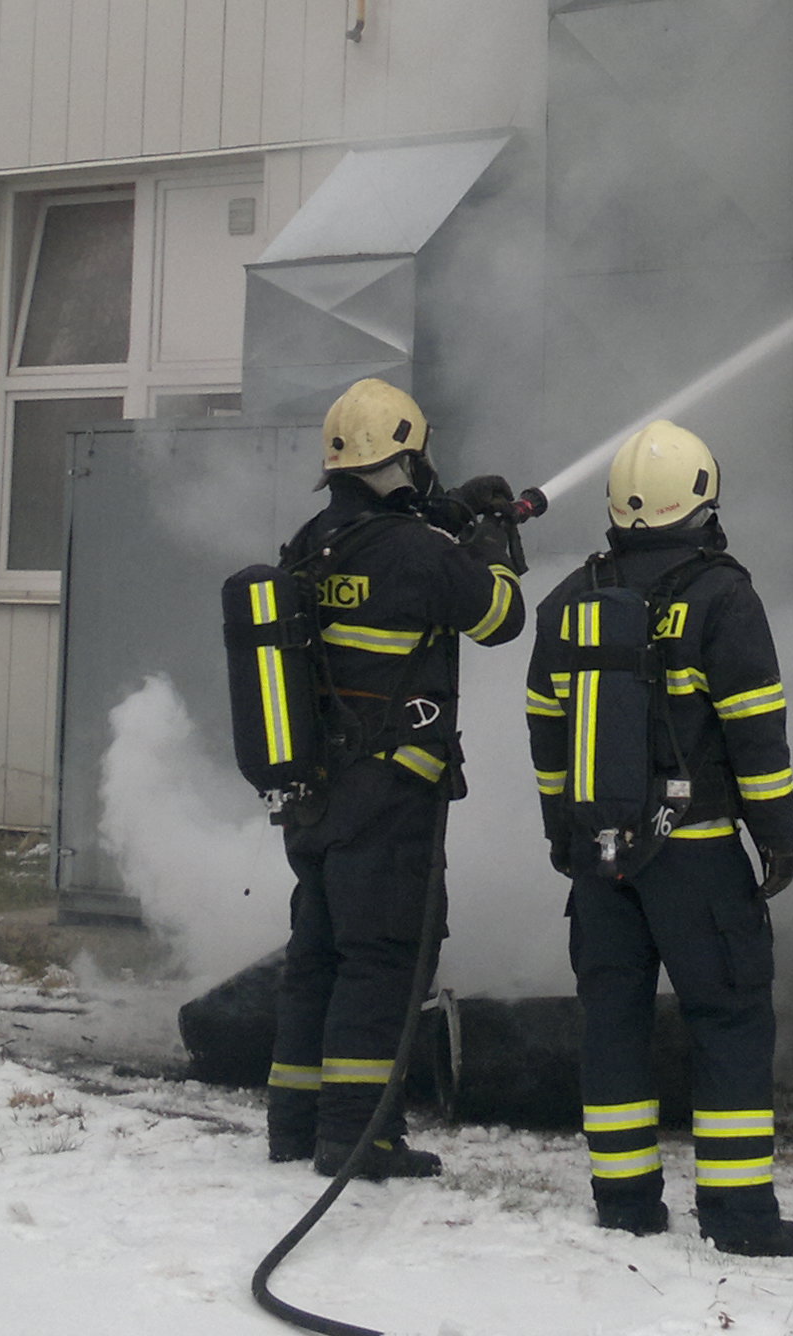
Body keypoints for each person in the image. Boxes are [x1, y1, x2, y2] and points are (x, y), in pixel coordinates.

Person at [521, 418, 793, 1257]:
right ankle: (738, 1214)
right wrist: (778, 838)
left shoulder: (569, 598)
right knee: (727, 1018)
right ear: (702, 502)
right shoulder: (723, 595)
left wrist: (564, 836)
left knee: (612, 1018)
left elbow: (546, 733)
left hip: (599, 857)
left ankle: (623, 1200)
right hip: (696, 851)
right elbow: (756, 728)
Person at [261, 376, 527, 1179]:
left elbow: (388, 566)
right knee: (383, 959)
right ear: (401, 458)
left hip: (315, 795)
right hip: (390, 795)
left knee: (319, 954)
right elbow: (499, 618)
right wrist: (488, 543)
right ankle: (358, 1135)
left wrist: (448, 519)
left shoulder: (313, 541)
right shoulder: (417, 553)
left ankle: (295, 1123)